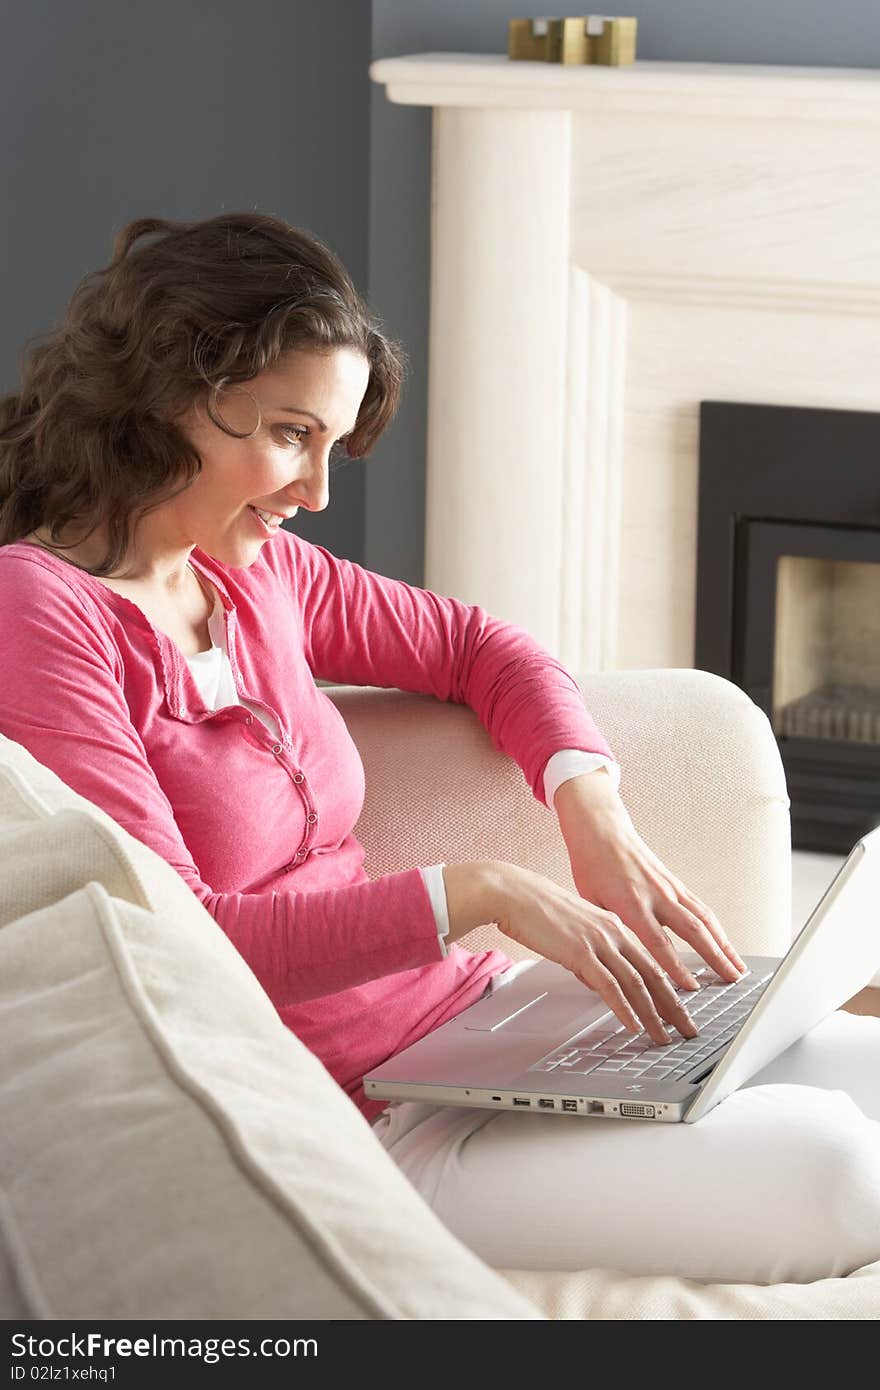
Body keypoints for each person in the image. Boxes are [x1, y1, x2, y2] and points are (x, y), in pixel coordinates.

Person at [0, 212, 877, 1288]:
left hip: (471, 1033)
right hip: (360, 1122)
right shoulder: (42, 613)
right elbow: (177, 940)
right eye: (289, 433)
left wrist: (587, 809)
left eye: (330, 442)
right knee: (834, 1170)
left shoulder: (259, 572)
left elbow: (480, 647)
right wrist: (474, 892)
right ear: (165, 395)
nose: (317, 491)